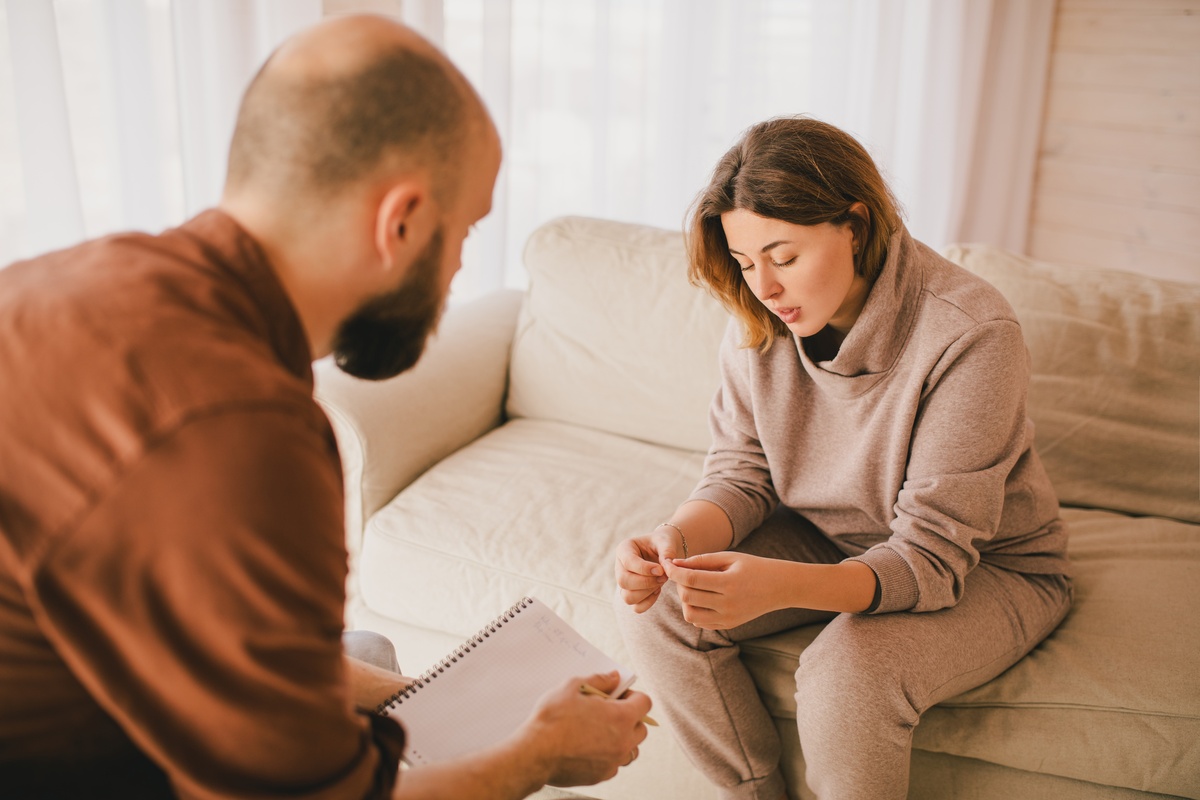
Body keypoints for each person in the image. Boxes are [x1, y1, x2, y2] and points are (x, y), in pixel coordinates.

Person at [0, 14, 649, 800]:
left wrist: (442, 701)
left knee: (366, 651)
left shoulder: (84, 281)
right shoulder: (236, 428)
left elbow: (240, 642)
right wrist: (538, 758)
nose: (456, 272)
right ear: (401, 221)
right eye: (465, 233)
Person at [613, 117, 1072, 800]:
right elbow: (742, 472)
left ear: (855, 226)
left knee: (846, 674)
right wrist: (674, 541)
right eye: (745, 262)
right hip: (830, 535)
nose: (764, 287)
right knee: (660, 606)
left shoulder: (971, 332)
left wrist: (782, 585)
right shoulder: (760, 314)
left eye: (783, 256)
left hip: (987, 567)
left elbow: (931, 557)